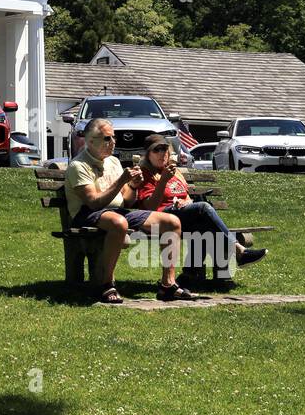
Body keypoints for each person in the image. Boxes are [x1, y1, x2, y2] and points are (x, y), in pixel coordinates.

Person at [65, 118, 192, 302]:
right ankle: (107, 284)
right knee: (119, 223)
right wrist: (121, 181)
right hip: (88, 214)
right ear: (90, 141)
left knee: (171, 222)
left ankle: (167, 285)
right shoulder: (79, 166)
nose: (113, 142)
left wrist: (132, 186)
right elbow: (93, 203)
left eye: (114, 137)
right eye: (107, 138)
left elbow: (126, 200)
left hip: (117, 212)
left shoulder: (114, 162)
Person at [134, 134, 268, 277]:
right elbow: (150, 207)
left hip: (181, 215)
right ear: (148, 154)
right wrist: (163, 182)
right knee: (203, 209)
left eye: (164, 149)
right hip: (161, 218)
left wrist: (186, 202)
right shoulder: (145, 173)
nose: (162, 153)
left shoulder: (174, 172)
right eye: (156, 150)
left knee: (204, 226)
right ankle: (239, 251)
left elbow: (185, 196)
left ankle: (190, 274)